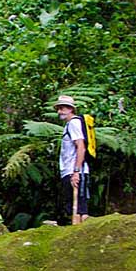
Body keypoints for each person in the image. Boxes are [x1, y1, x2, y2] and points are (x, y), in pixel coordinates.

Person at [55, 94, 90, 223]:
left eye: (62, 108)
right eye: (58, 108)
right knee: (73, 206)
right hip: (69, 170)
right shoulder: (69, 125)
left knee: (80, 209)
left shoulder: (74, 123)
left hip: (74, 171)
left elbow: (81, 147)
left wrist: (76, 171)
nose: (59, 111)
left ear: (71, 109)